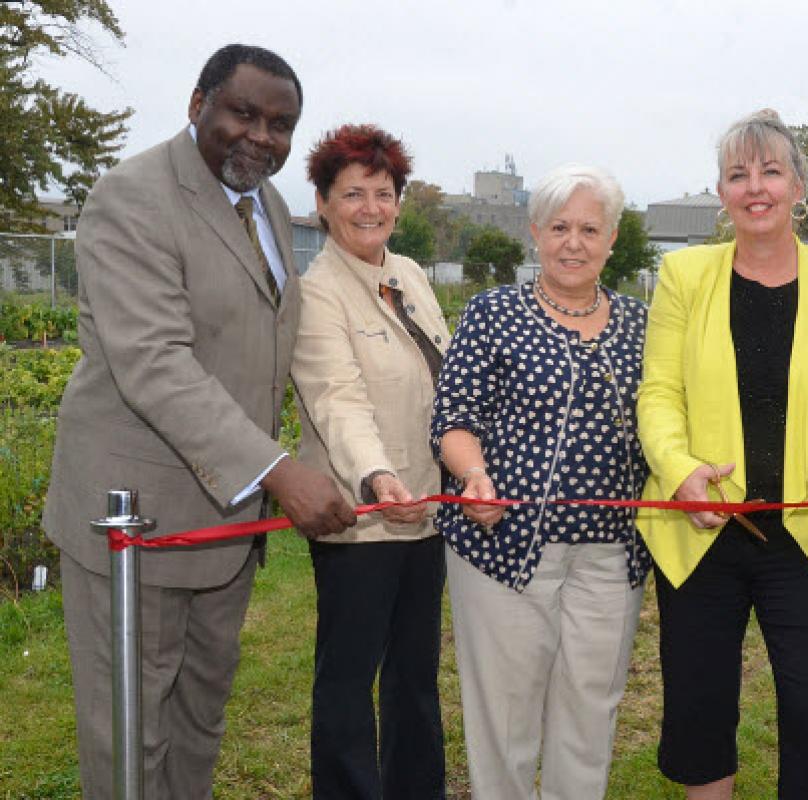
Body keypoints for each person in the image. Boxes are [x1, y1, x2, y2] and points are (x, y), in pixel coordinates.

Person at [42, 44, 356, 799]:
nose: (262, 136)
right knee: (130, 737)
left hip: (224, 528)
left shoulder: (270, 208)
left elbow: (267, 344)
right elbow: (155, 361)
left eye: (281, 124)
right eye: (243, 113)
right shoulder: (133, 197)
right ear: (197, 104)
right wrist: (280, 473)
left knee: (198, 723)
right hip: (137, 524)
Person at [636, 109, 808, 800]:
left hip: (807, 537)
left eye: (771, 171)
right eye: (737, 174)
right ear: (720, 190)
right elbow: (658, 393)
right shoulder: (684, 274)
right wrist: (680, 470)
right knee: (699, 709)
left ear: (799, 184)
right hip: (703, 530)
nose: (756, 187)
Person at [431, 164, 649, 800]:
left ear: (612, 240)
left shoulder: (643, 324)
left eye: (589, 228)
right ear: (535, 234)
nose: (573, 242)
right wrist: (473, 476)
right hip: (502, 547)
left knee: (591, 711)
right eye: (559, 227)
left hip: (612, 555)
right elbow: (455, 416)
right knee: (504, 714)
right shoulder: (492, 312)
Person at [291, 124, 451, 799]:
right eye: (351, 193)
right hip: (362, 517)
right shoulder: (316, 293)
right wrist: (377, 478)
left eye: (383, 193)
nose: (369, 207)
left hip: (428, 515)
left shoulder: (408, 274)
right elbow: (337, 400)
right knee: (349, 681)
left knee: (416, 678)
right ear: (323, 203)